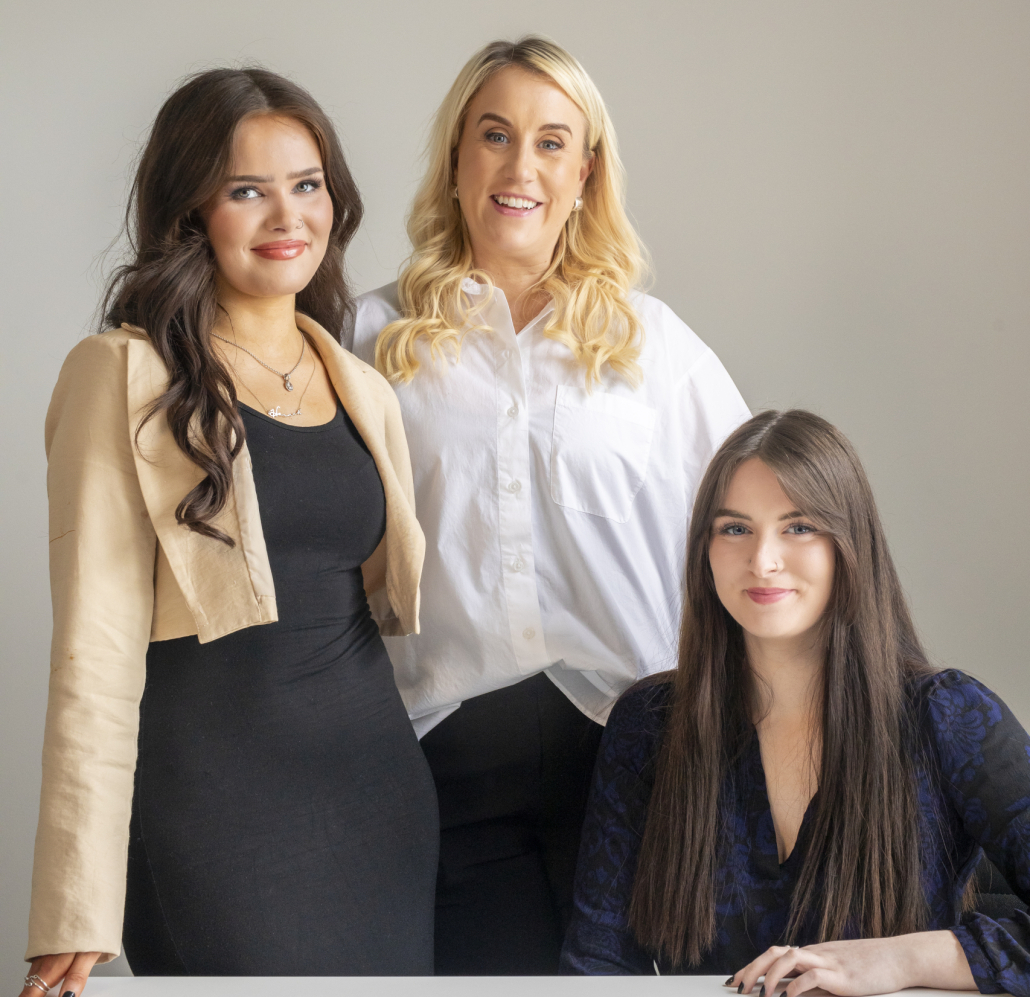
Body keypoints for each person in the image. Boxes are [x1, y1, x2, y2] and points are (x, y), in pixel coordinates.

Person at [21, 68, 437, 997]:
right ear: (190, 211)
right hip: (213, 814)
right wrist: (74, 903)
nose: (287, 215)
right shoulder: (121, 375)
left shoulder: (360, 384)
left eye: (308, 184)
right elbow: (93, 651)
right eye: (246, 190)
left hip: (377, 798)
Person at [345, 36, 750, 975]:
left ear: (586, 172)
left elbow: (751, 538)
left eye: (552, 141)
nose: (520, 166)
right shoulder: (369, 334)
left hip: (643, 756)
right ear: (456, 159)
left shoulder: (661, 349)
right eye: (494, 135)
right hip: (447, 761)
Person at [560, 409, 1030, 995]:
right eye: (735, 529)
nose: (762, 560)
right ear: (704, 549)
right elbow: (597, 965)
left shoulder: (948, 714)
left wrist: (908, 959)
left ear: (848, 545)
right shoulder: (649, 724)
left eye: (799, 526)